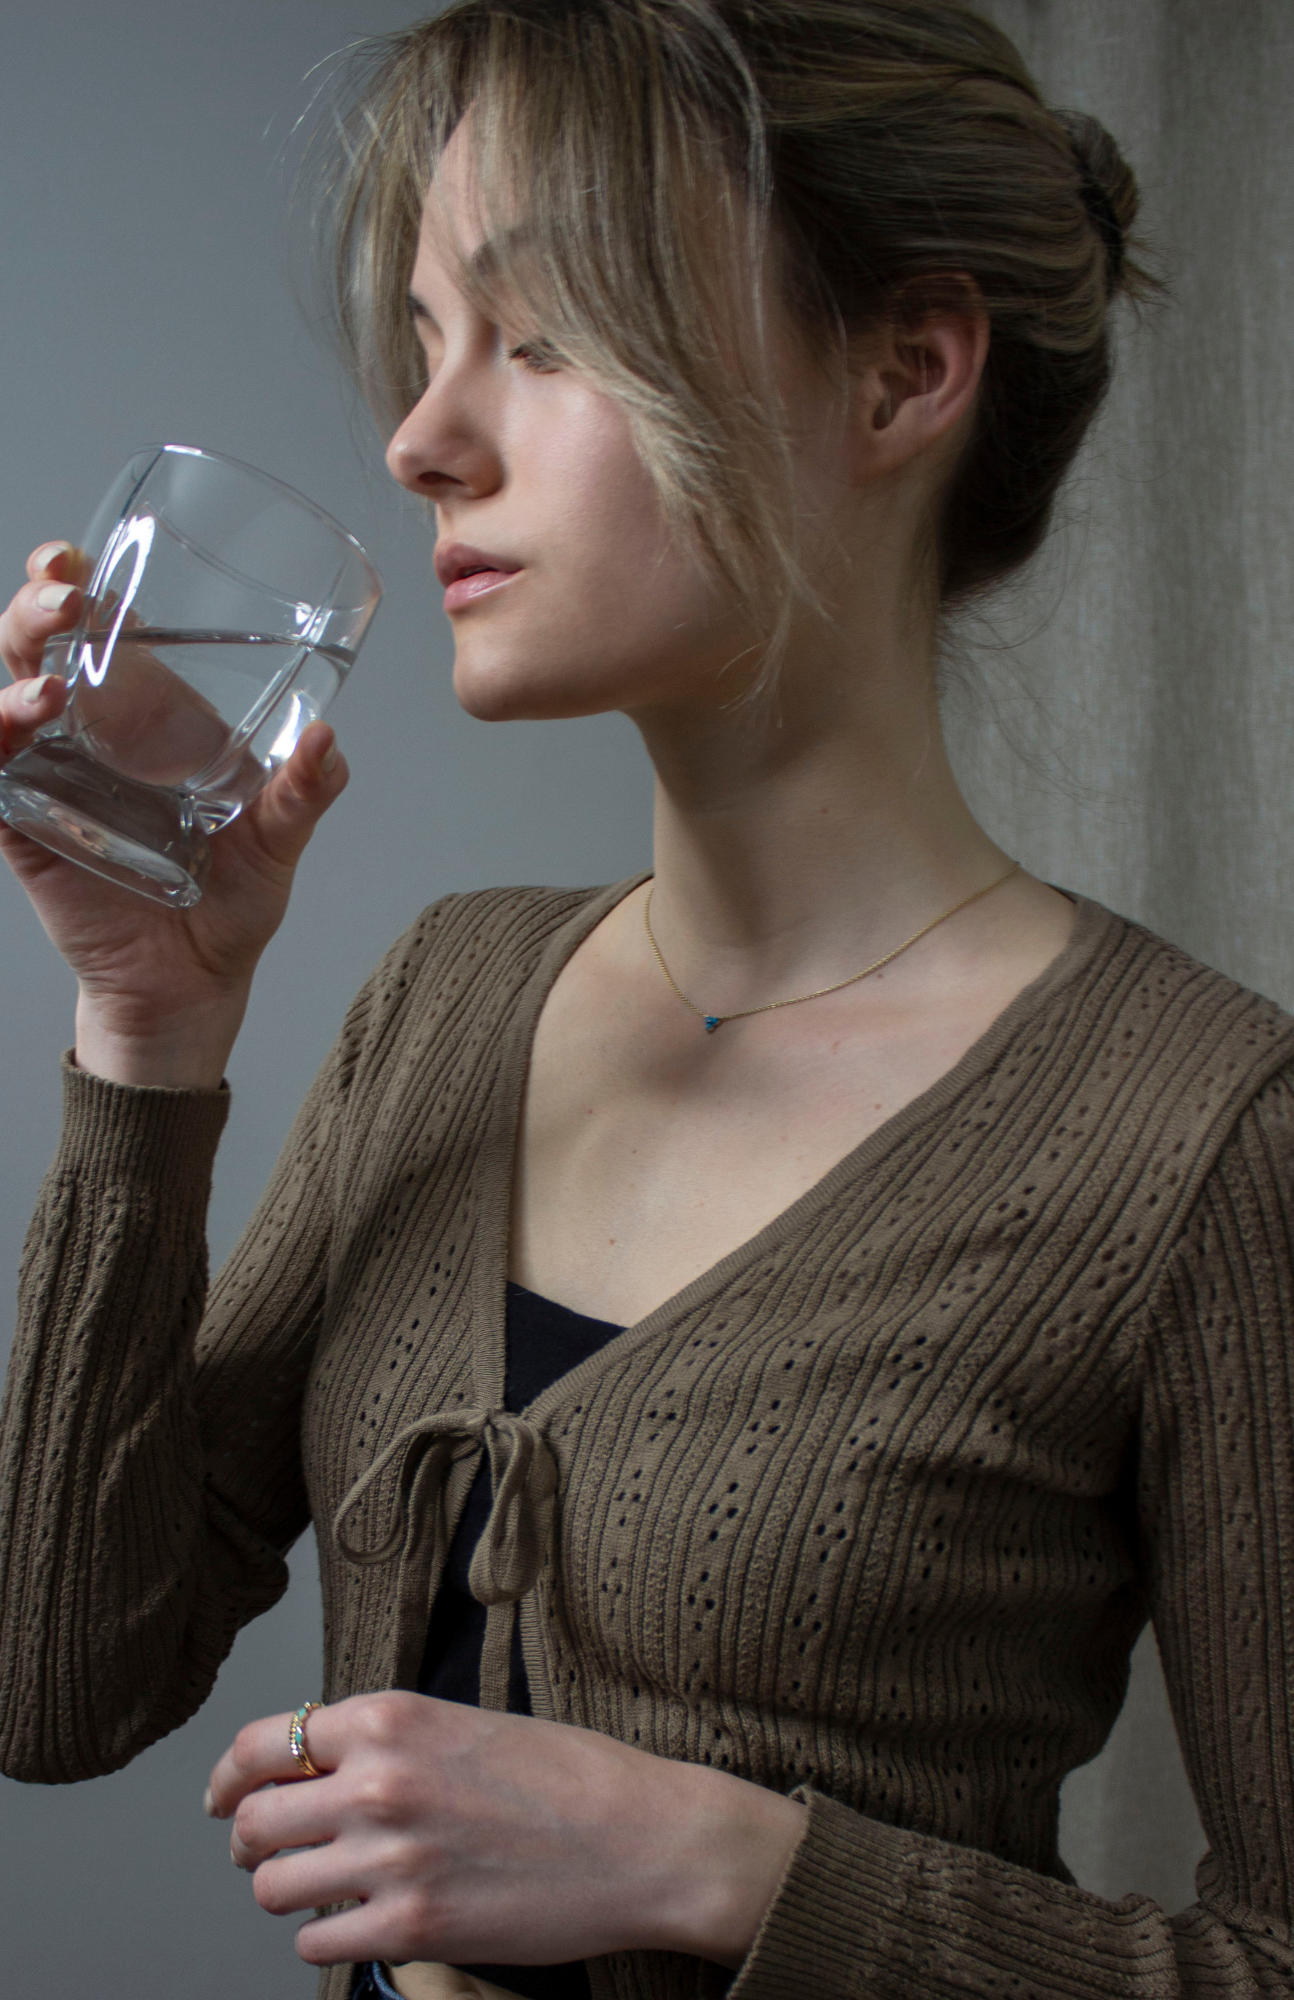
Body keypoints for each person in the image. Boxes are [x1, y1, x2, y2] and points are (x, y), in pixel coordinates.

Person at [1, 3, 1290, 2000]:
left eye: (536, 334)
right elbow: (55, 1682)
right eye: (425, 342)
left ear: (901, 372)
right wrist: (145, 1032)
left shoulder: (1197, 1136)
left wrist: (743, 1867)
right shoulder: (448, 996)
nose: (422, 434)